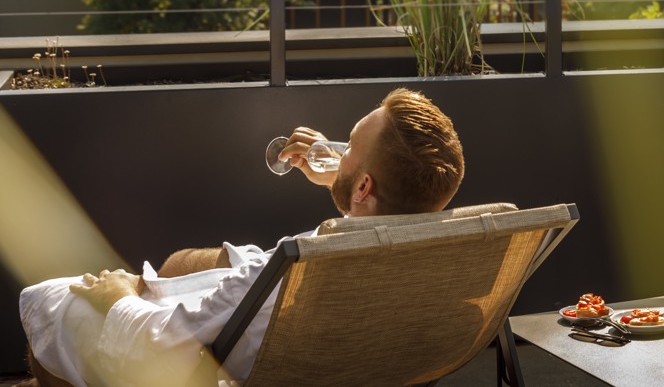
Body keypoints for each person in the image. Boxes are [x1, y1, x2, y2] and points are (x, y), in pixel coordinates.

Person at [18, 88, 465, 387]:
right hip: (352, 357)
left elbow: (159, 338)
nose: (337, 151)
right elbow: (373, 218)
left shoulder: (293, 270)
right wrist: (342, 177)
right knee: (177, 266)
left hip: (243, 342)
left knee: (53, 303)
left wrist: (117, 298)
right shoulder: (442, 254)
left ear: (365, 187)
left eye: (348, 146)